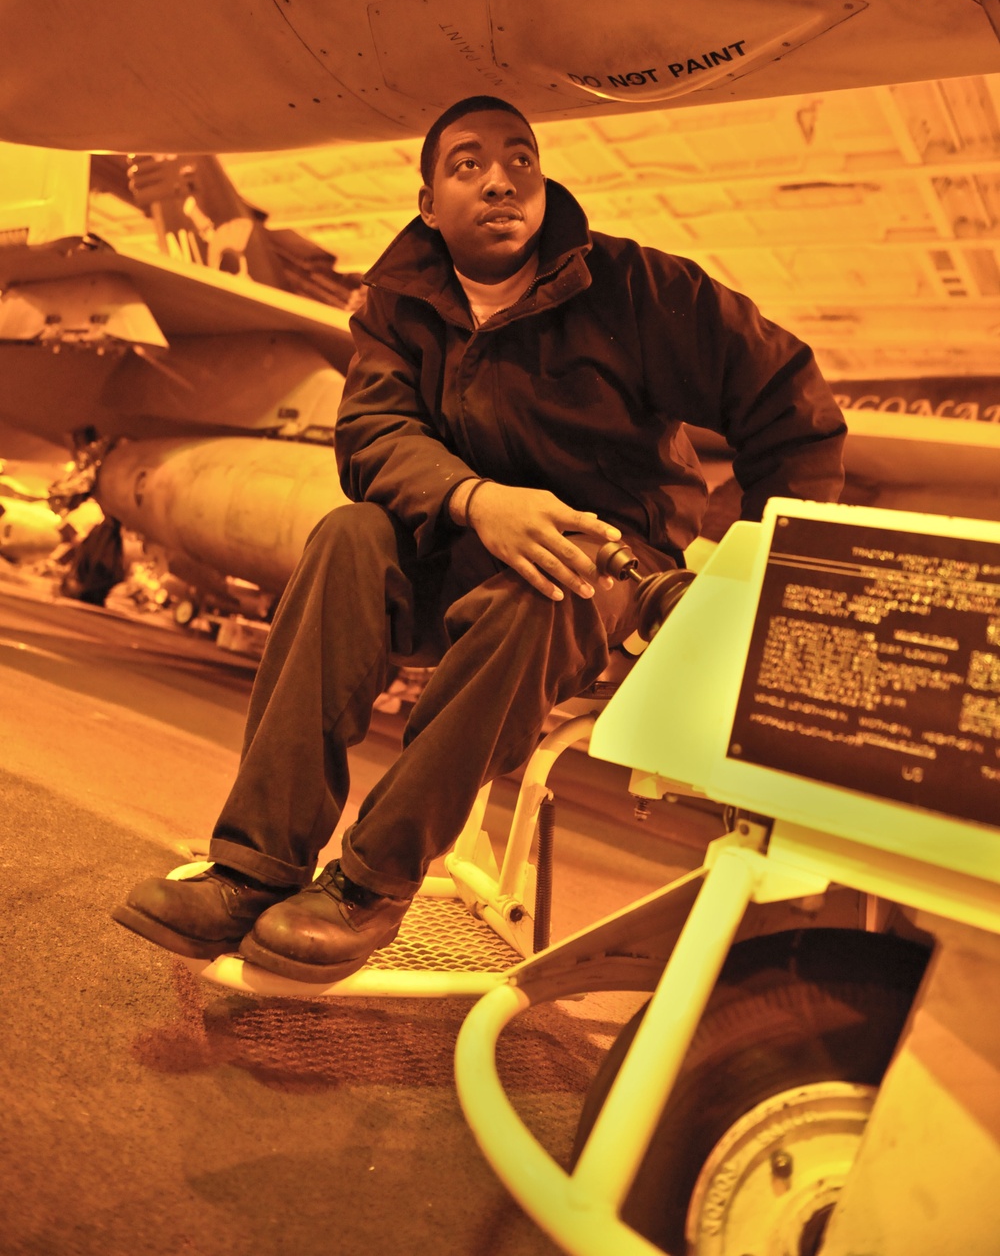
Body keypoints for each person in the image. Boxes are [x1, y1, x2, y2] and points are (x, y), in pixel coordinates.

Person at [114, 94, 846, 983]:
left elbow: (794, 407)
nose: (500, 179)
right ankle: (252, 863)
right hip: (459, 541)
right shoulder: (398, 306)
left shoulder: (641, 290)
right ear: (428, 203)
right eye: (468, 164)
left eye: (521, 160)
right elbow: (373, 436)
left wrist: (743, 581)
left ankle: (372, 881)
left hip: (600, 559)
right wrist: (475, 500)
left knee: (547, 585)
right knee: (349, 532)